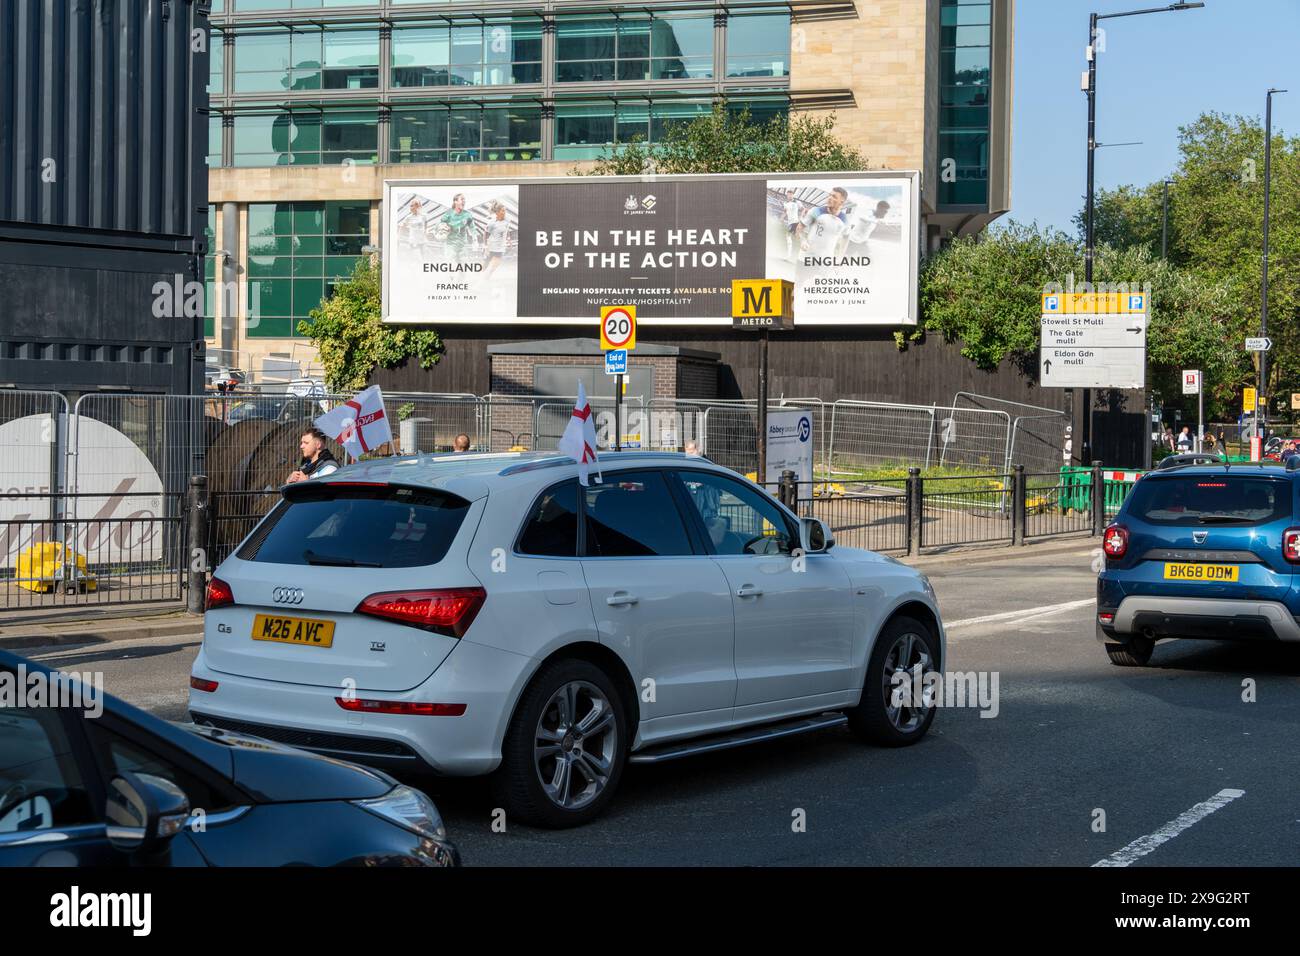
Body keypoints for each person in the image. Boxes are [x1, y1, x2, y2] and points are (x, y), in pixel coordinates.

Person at [439, 193, 475, 264]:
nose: (464, 201)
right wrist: (444, 228)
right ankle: (450, 275)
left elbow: (472, 228)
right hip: (450, 244)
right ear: (455, 202)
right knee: (450, 265)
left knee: (463, 266)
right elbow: (440, 225)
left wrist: (475, 239)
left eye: (464, 200)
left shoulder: (467, 215)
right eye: (462, 199)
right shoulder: (448, 214)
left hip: (462, 245)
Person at [482, 202, 510, 280]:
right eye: (503, 211)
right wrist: (486, 246)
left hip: (500, 248)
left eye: (505, 210)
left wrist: (508, 239)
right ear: (497, 212)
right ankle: (479, 276)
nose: (504, 212)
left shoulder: (507, 220)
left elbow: (506, 230)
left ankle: (485, 279)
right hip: (491, 247)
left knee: (494, 267)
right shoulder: (491, 223)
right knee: (485, 265)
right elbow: (485, 234)